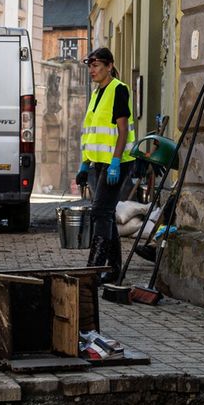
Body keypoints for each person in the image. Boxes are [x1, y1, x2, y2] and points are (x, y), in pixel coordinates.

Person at [74, 47, 135, 282]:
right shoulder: (97, 93)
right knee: (106, 214)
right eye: (90, 66)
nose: (92, 70)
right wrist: (83, 165)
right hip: (99, 162)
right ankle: (114, 270)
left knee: (100, 212)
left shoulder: (119, 90)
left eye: (97, 65)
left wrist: (116, 163)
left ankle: (94, 270)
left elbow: (121, 131)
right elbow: (92, 135)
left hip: (116, 163)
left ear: (109, 66)